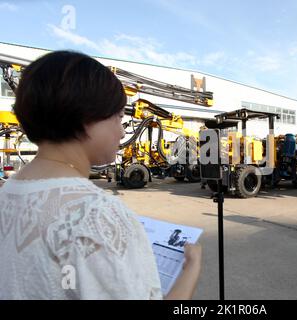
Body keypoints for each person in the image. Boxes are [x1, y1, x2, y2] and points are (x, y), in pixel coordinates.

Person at [0, 51, 202, 299]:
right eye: (118, 117)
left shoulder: (8, 192)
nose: (121, 131)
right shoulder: (96, 213)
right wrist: (191, 268)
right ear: (86, 117)